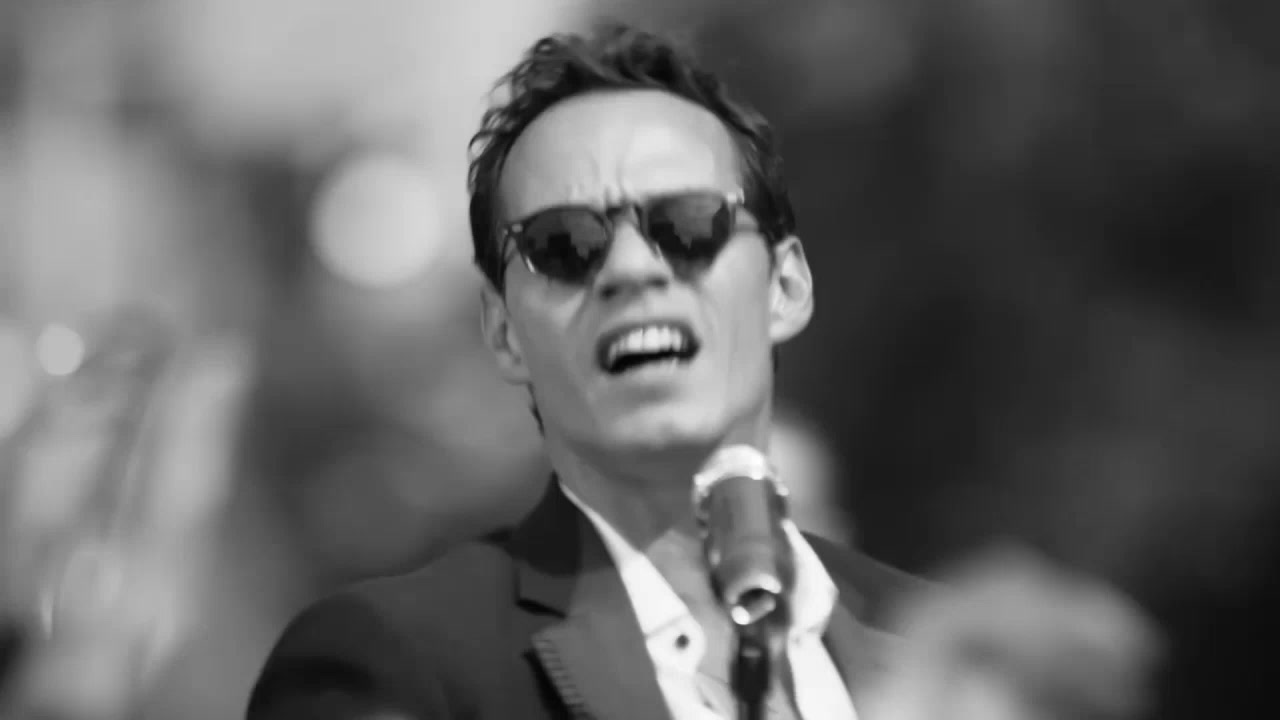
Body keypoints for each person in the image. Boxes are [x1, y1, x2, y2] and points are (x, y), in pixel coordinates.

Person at [245, 24, 1157, 720]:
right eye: (565, 245)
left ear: (787, 286)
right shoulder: (396, 661)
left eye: (686, 226)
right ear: (505, 333)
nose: (631, 270)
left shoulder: (942, 661)